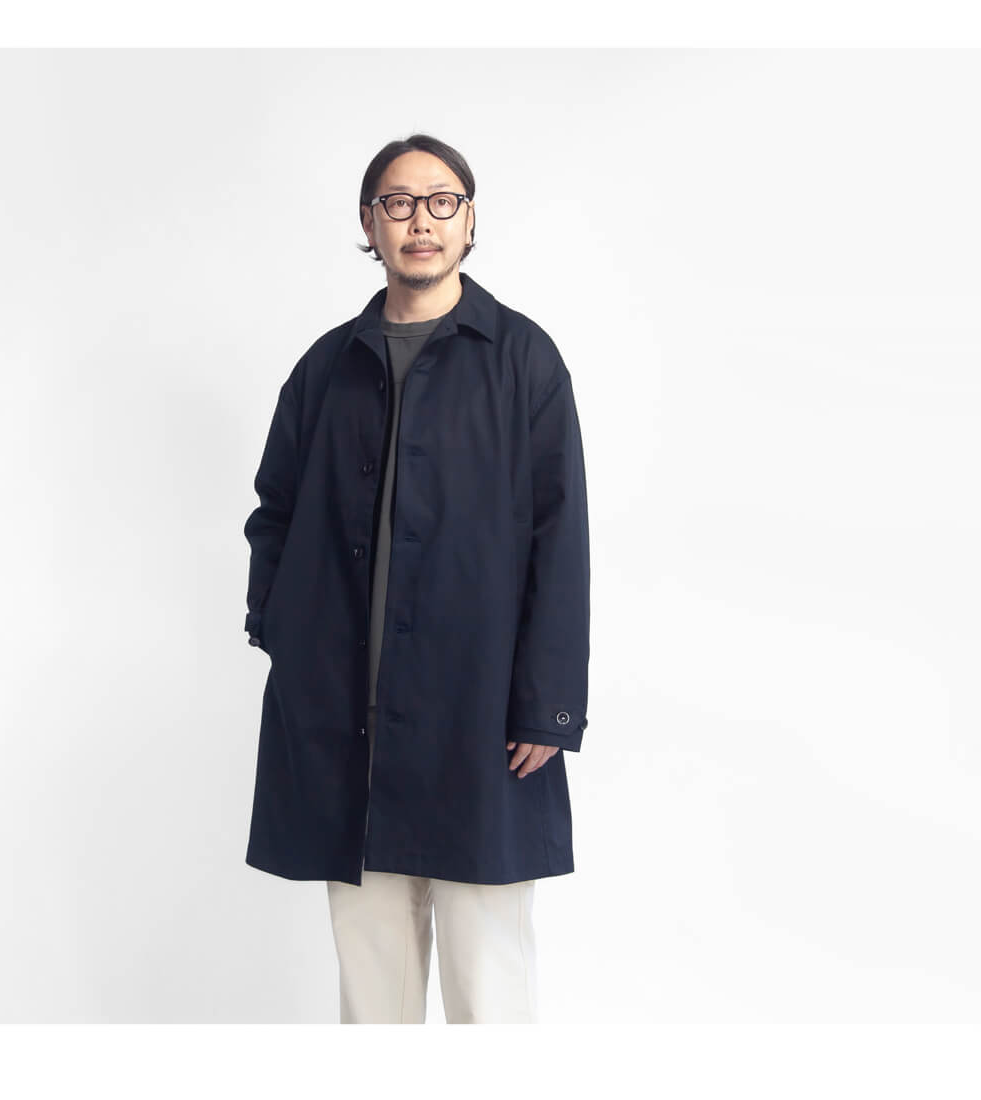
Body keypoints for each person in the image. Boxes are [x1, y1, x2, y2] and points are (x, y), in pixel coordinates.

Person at [242, 133, 590, 1024]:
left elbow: (560, 535)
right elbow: (275, 510)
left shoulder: (522, 360)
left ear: (470, 221)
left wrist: (548, 706)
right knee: (374, 996)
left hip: (482, 722)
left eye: (441, 202)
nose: (420, 221)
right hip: (348, 722)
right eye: (398, 204)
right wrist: (279, 627)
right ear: (370, 224)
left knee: (489, 990)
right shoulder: (327, 368)